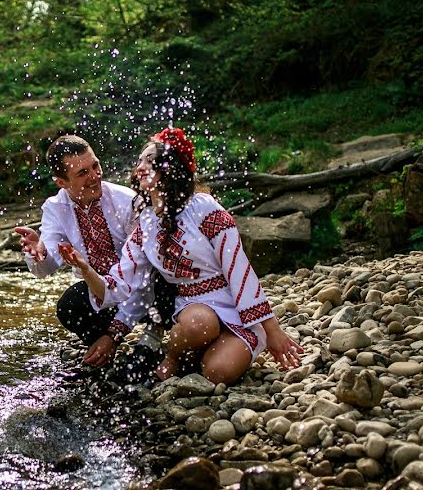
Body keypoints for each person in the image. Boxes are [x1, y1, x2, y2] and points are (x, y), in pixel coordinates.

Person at [59, 127, 302, 384]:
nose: (140, 167)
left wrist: (272, 330)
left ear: (170, 168)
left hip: (232, 305)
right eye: (140, 160)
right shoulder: (145, 224)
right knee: (198, 323)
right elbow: (117, 286)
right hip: (191, 309)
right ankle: (173, 358)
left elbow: (238, 270)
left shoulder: (204, 208)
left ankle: (208, 347)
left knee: (217, 373)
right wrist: (87, 271)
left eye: (150, 161)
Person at [14, 135, 176, 376]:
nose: (95, 176)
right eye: (82, 173)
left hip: (144, 287)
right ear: (61, 182)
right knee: (70, 305)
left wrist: (115, 334)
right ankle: (100, 345)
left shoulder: (127, 201)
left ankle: (151, 337)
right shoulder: (55, 208)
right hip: (102, 291)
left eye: (95, 166)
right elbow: (45, 269)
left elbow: (142, 271)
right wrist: (39, 253)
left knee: (164, 270)